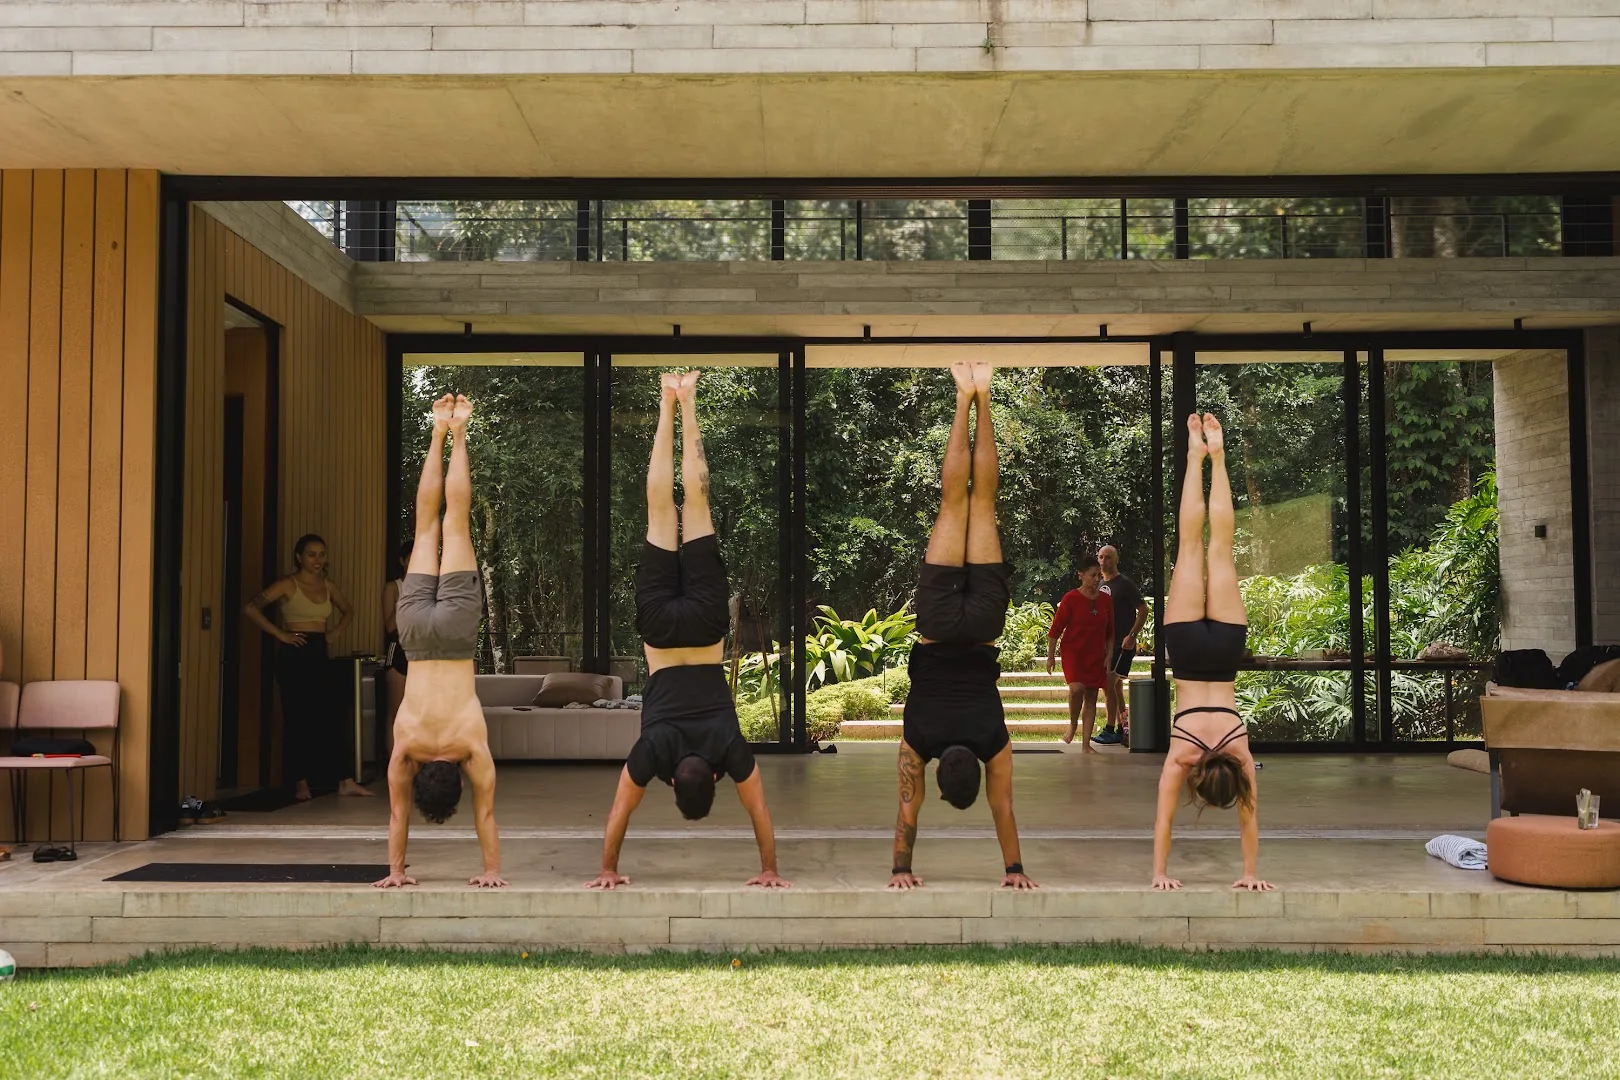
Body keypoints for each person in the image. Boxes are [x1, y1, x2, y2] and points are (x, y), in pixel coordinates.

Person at [586, 371, 790, 892]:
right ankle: (665, 399)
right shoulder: (653, 752)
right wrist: (607, 869)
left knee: (695, 506)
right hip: (660, 631)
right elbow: (618, 812)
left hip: (703, 629)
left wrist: (770, 869)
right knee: (660, 512)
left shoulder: (728, 749)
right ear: (674, 782)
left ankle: (688, 399)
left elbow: (760, 810)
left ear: (711, 781)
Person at [889, 362, 1037, 893]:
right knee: (956, 501)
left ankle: (983, 394)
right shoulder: (918, 741)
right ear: (936, 772)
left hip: (982, 627)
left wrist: (1016, 871)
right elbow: (907, 811)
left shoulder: (992, 742)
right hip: (937, 624)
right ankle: (961, 394)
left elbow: (1003, 808)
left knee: (981, 500)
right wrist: (900, 871)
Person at [374, 394, 506, 889]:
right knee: (426, 524)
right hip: (414, 636)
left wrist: (493, 871)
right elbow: (396, 817)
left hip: (452, 636)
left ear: (456, 780)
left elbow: (487, 816)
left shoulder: (470, 747)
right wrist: (395, 872)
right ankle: (436, 430)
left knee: (455, 521)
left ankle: (460, 430)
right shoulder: (405, 748)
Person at [1151, 413, 1272, 892]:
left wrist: (1251, 875)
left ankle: (1216, 456)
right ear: (1198, 782)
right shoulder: (1182, 757)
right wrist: (1159, 874)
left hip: (1223, 652)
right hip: (1184, 648)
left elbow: (1250, 823)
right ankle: (1193, 455)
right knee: (1189, 547)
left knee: (1219, 548)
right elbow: (1163, 824)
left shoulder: (1240, 754)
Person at [243, 533, 367, 801]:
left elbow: (349, 611)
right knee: (297, 719)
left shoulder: (328, 585)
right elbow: (251, 608)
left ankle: (345, 780)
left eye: (322, 554)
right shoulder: (288, 584)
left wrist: (333, 634)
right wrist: (280, 634)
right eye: (312, 554)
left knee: (331, 716)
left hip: (319, 650)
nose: (317, 560)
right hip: (294, 653)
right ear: (299, 557)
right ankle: (301, 784)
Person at [1046, 554, 1112, 752]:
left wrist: (1109, 654)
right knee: (1076, 690)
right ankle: (1073, 724)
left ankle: (1086, 745)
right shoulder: (1071, 599)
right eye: (1093, 575)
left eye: (1099, 576)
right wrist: (1050, 657)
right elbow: (1055, 630)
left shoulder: (1106, 600)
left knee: (1091, 696)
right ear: (1081, 576)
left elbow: (1111, 631)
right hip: (1073, 652)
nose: (1097, 579)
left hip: (1096, 654)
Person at [1096, 544, 1150, 745]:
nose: (1104, 561)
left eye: (1108, 557)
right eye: (1101, 557)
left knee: (1109, 684)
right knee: (1114, 688)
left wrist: (1132, 635)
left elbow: (1143, 609)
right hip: (1105, 645)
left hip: (1122, 644)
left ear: (1116, 560)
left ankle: (1110, 729)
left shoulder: (1125, 584)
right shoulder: (1099, 584)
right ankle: (1123, 727)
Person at [380, 539, 414, 759]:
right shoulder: (394, 587)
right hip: (399, 651)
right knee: (396, 712)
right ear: (402, 561)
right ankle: (395, 765)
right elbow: (390, 626)